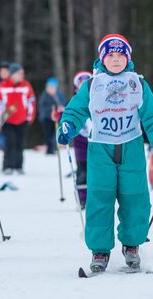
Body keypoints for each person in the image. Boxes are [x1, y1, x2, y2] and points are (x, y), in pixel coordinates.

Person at [57, 34, 153, 272]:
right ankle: (99, 250)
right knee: (100, 198)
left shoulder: (137, 83)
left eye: (121, 55)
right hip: (100, 148)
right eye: (111, 55)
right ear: (102, 58)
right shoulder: (92, 84)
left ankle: (132, 245)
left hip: (132, 146)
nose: (116, 59)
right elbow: (75, 111)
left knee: (135, 197)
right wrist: (67, 126)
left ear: (128, 58)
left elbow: (151, 115)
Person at [53, 71, 93, 209]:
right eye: (80, 83)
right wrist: (58, 116)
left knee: (96, 171)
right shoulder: (74, 100)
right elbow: (67, 117)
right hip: (80, 141)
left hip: (97, 141)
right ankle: (82, 199)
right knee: (82, 171)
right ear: (76, 87)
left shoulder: (98, 98)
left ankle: (95, 200)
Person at [0, 63, 36, 174]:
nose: (22, 75)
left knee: (20, 143)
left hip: (22, 120)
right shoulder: (2, 86)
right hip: (8, 120)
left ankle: (18, 166)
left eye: (22, 73)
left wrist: (30, 117)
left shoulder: (26, 85)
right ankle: (8, 166)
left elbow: (31, 102)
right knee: (10, 142)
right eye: (20, 73)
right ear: (12, 74)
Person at [38, 77, 65, 154]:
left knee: (55, 133)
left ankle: (55, 147)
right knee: (48, 134)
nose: (51, 89)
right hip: (47, 118)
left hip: (57, 118)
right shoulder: (44, 96)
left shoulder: (59, 95)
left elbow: (63, 103)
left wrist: (61, 108)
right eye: (49, 87)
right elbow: (42, 107)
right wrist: (52, 109)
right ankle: (49, 149)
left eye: (53, 87)